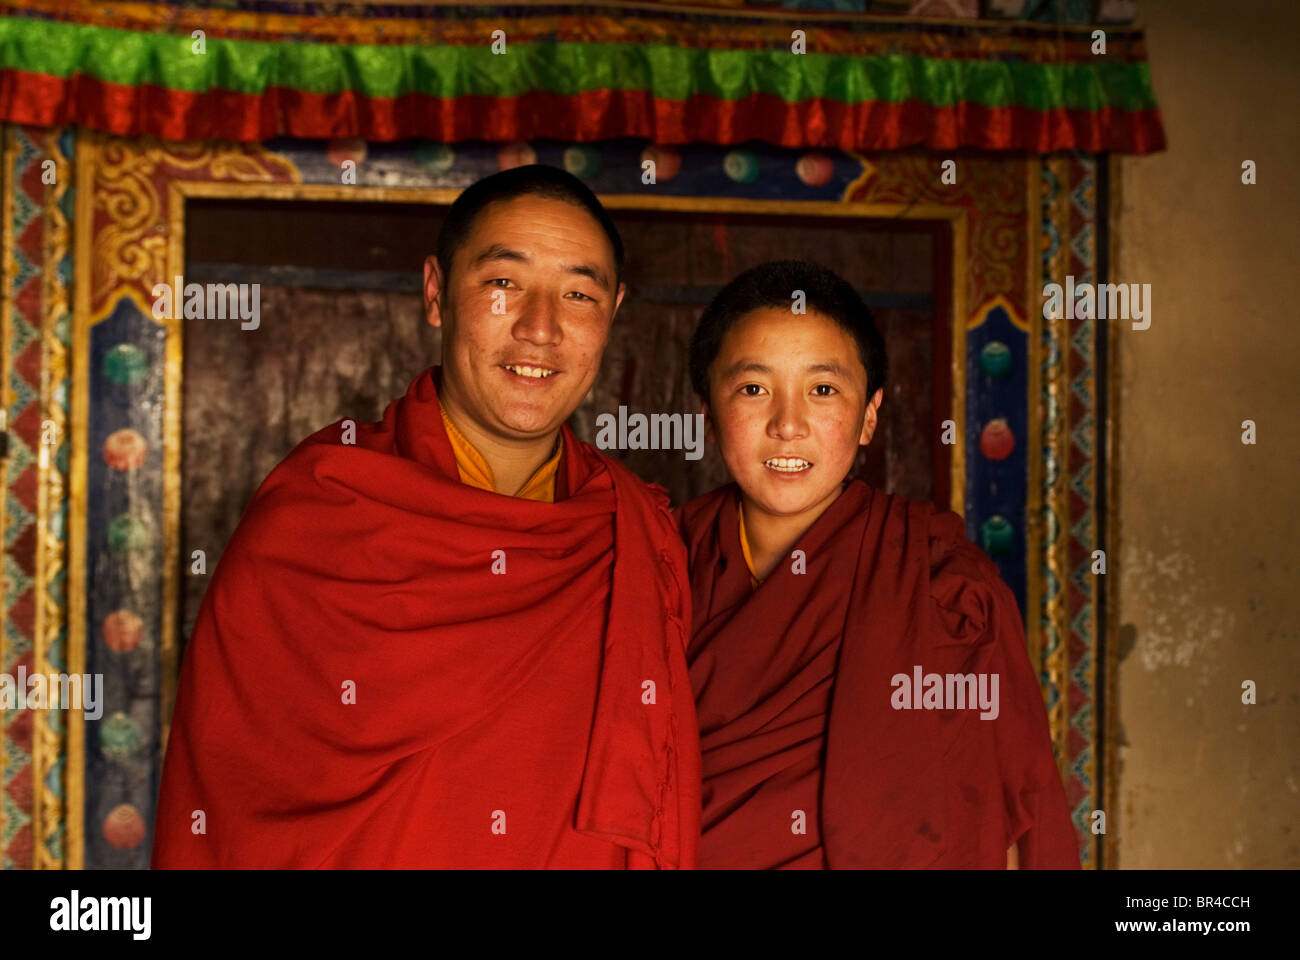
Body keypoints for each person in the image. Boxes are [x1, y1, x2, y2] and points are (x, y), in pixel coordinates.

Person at [152, 166, 700, 869]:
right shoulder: (324, 512)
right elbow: (233, 803)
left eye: (578, 294)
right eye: (504, 283)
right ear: (437, 293)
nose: (540, 327)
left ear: (613, 312)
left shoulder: (632, 533)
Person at [677, 260, 1079, 869]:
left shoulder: (943, 586)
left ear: (869, 415)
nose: (788, 425)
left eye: (823, 390)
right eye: (754, 389)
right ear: (708, 410)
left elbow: (1011, 812)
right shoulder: (656, 562)